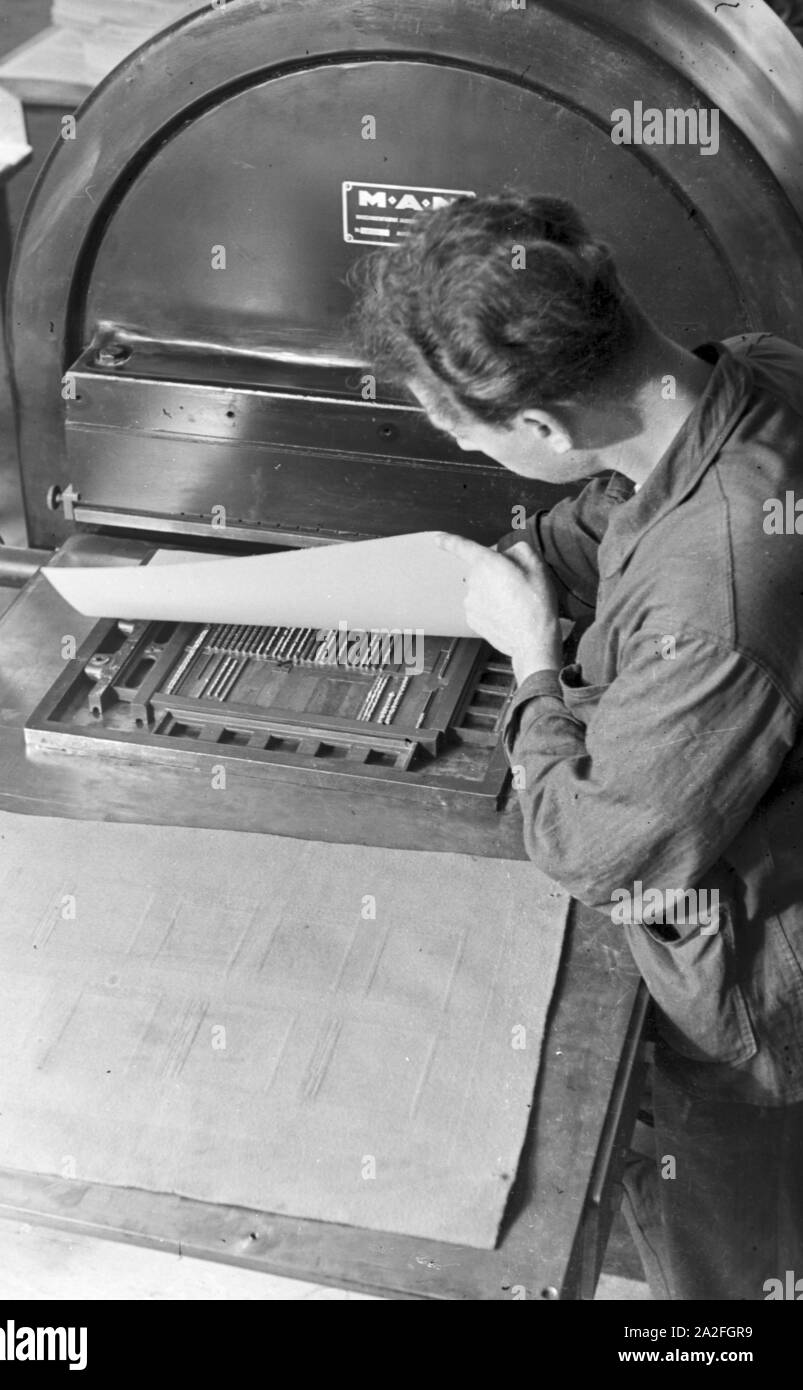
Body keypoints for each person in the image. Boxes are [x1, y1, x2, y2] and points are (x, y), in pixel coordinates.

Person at [348, 192, 803, 1301]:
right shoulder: (754, 369)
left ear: (544, 430)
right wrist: (532, 555)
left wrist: (535, 666)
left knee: (725, 1261)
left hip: (747, 987)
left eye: (468, 433)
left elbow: (597, 846)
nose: (463, 446)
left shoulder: (720, 601)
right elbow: (620, 520)